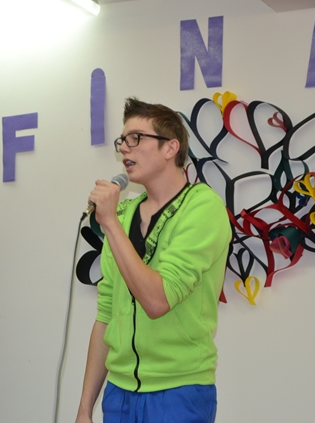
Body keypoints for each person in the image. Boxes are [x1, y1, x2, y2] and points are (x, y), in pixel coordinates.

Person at [75, 97, 232, 423]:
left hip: (179, 391)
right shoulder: (122, 215)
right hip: (119, 393)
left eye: (136, 138)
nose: (124, 148)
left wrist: (110, 224)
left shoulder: (203, 208)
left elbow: (158, 301)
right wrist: (84, 409)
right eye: (122, 140)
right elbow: (106, 316)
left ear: (170, 147)